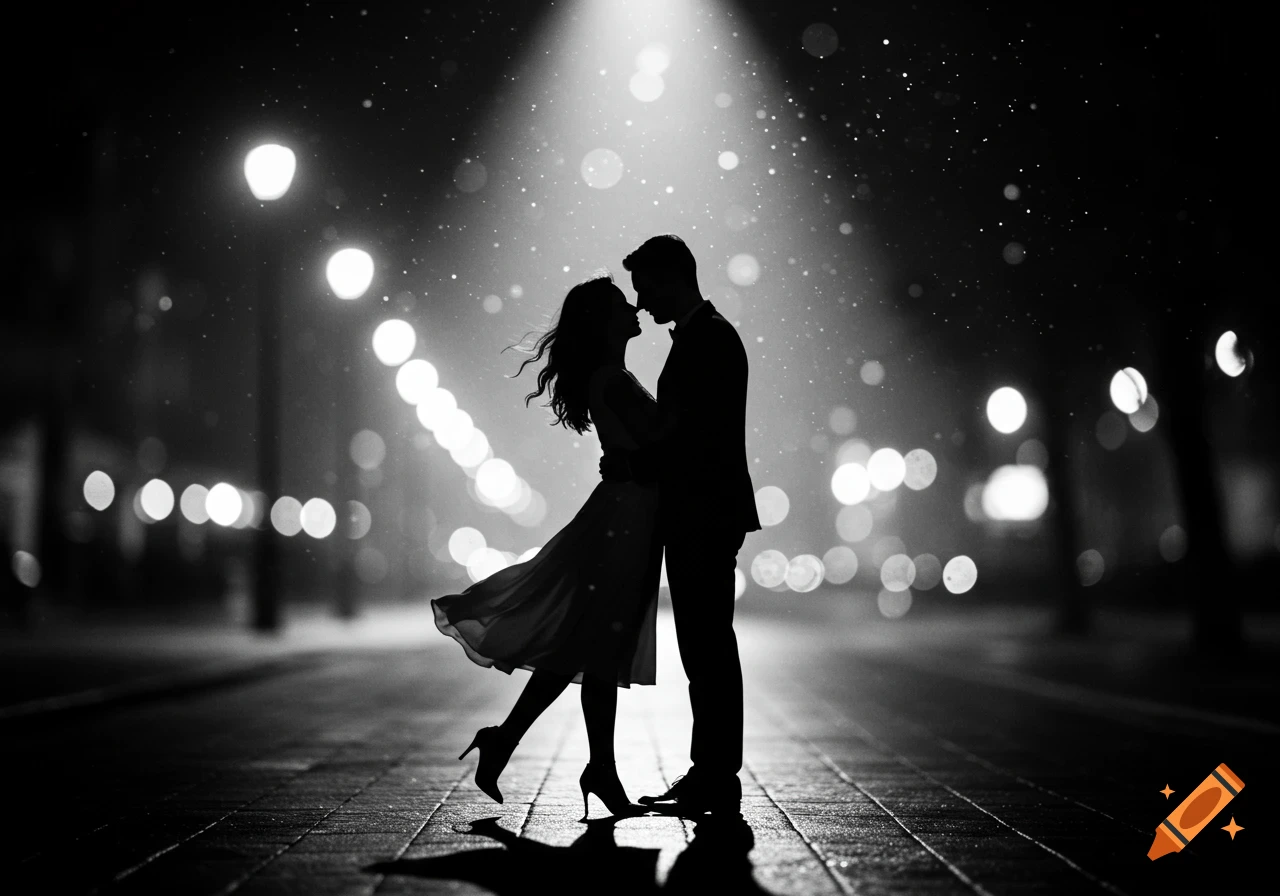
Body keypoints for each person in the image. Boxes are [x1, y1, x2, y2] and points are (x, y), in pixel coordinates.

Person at [431, 273, 671, 821]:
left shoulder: (611, 376)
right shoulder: (612, 379)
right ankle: (590, 766)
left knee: (586, 648)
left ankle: (516, 744)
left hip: (624, 519)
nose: (633, 308)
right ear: (602, 323)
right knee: (599, 649)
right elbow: (667, 445)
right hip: (625, 524)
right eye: (619, 305)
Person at [600, 234, 761, 815]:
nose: (641, 303)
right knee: (705, 642)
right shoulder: (706, 336)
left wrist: (631, 464)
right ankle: (712, 770)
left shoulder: (708, 341)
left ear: (673, 279)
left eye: (645, 287)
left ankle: (716, 773)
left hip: (703, 511)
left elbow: (693, 440)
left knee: (708, 643)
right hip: (703, 510)